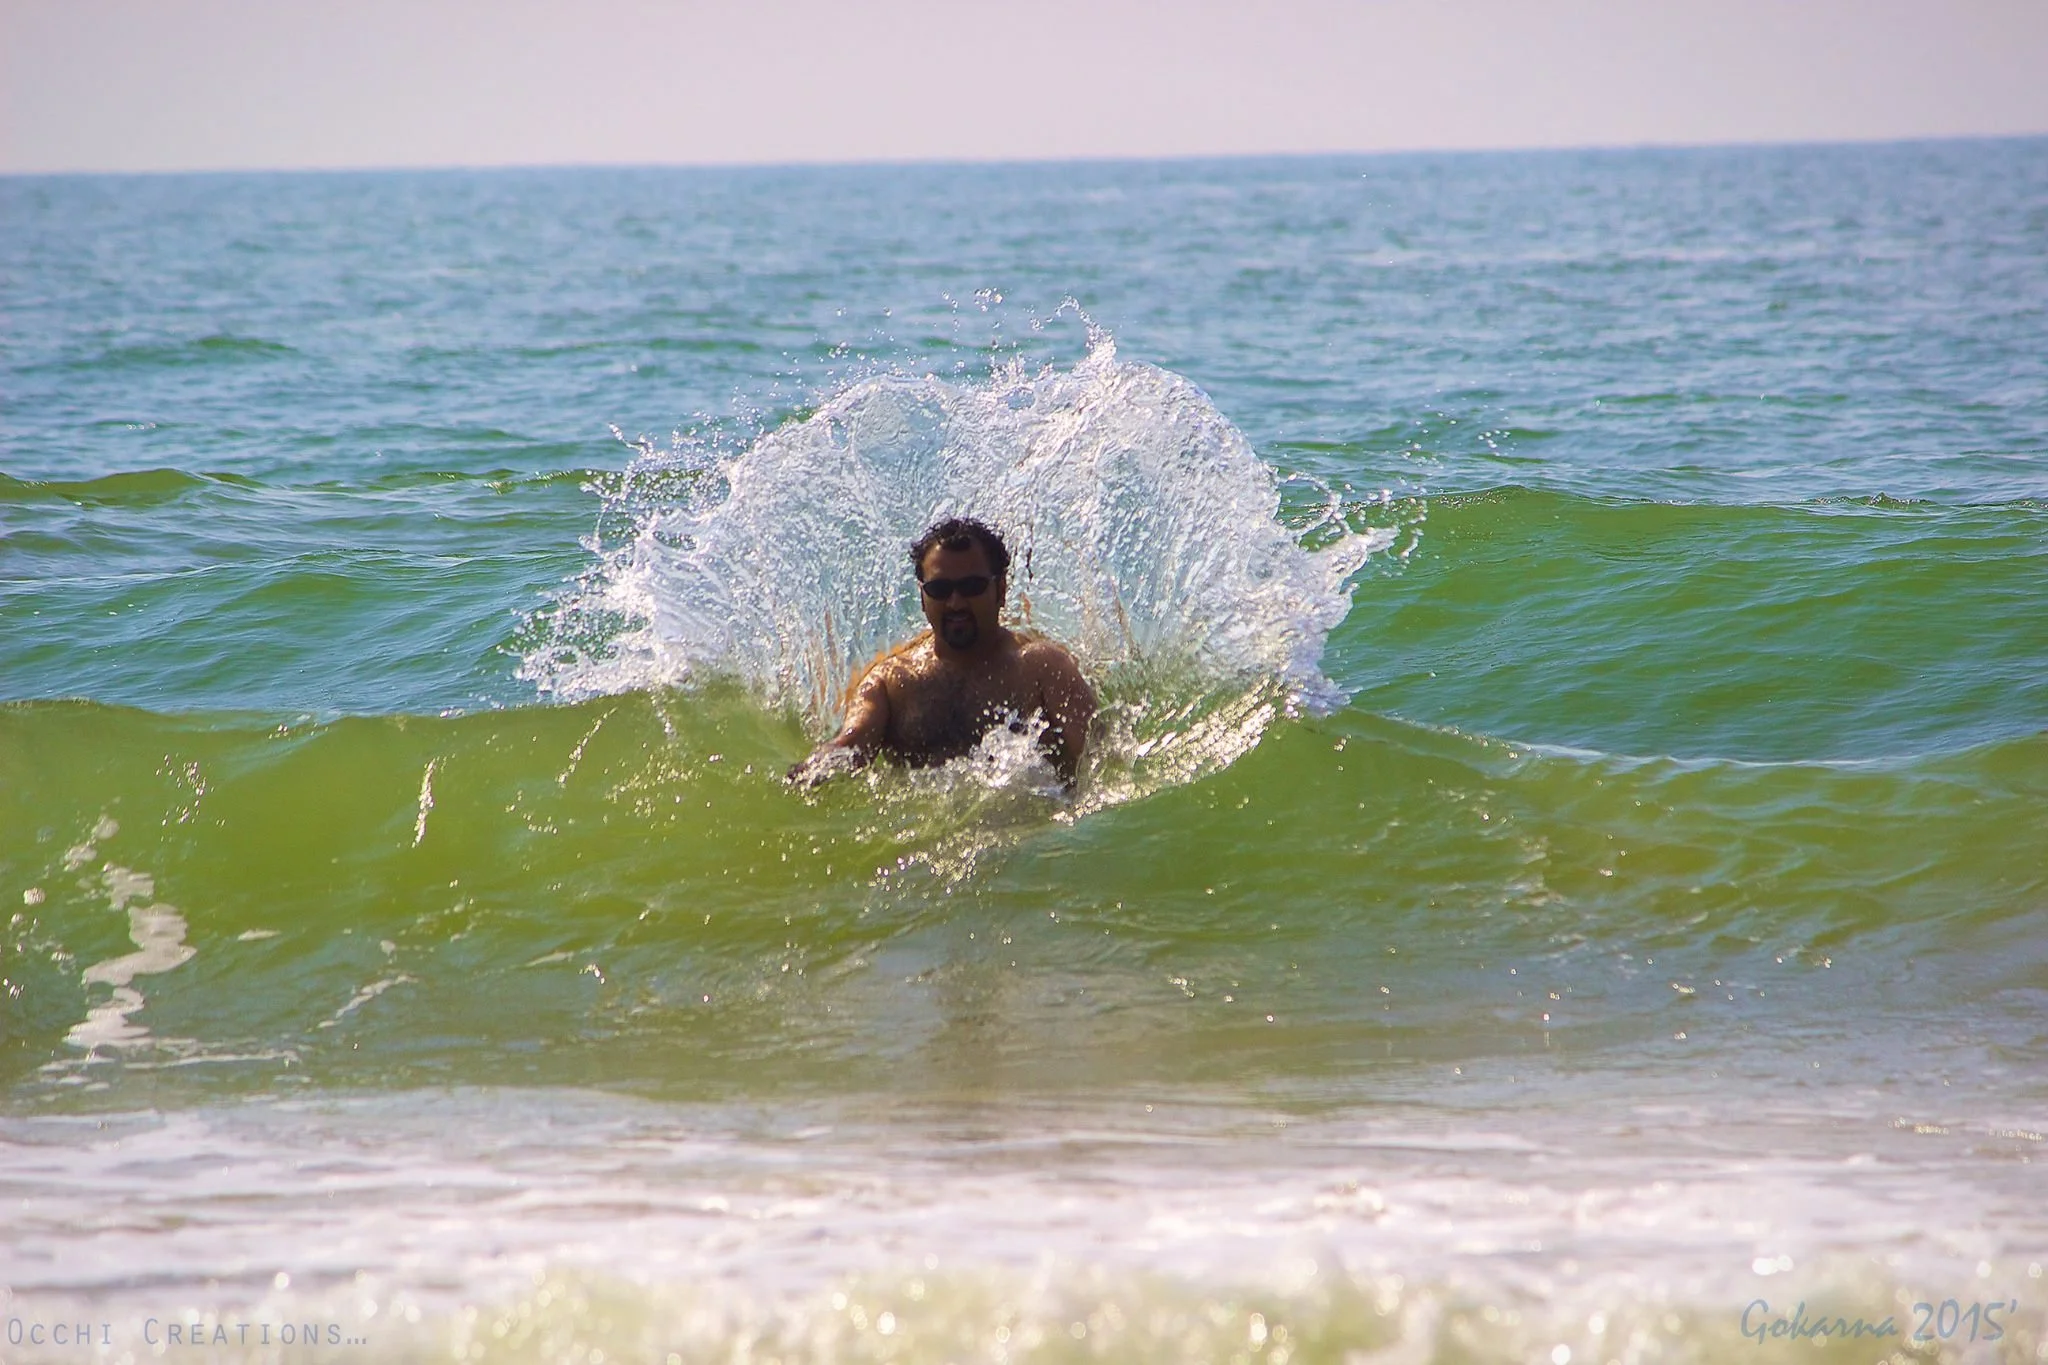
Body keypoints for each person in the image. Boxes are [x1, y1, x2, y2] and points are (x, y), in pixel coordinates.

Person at [787, 517, 1097, 788]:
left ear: (1000, 590)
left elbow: (1101, 760)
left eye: (972, 587)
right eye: (940, 590)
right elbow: (850, 745)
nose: (956, 603)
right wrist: (808, 772)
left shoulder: (1042, 669)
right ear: (923, 597)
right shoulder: (893, 683)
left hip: (1035, 836)